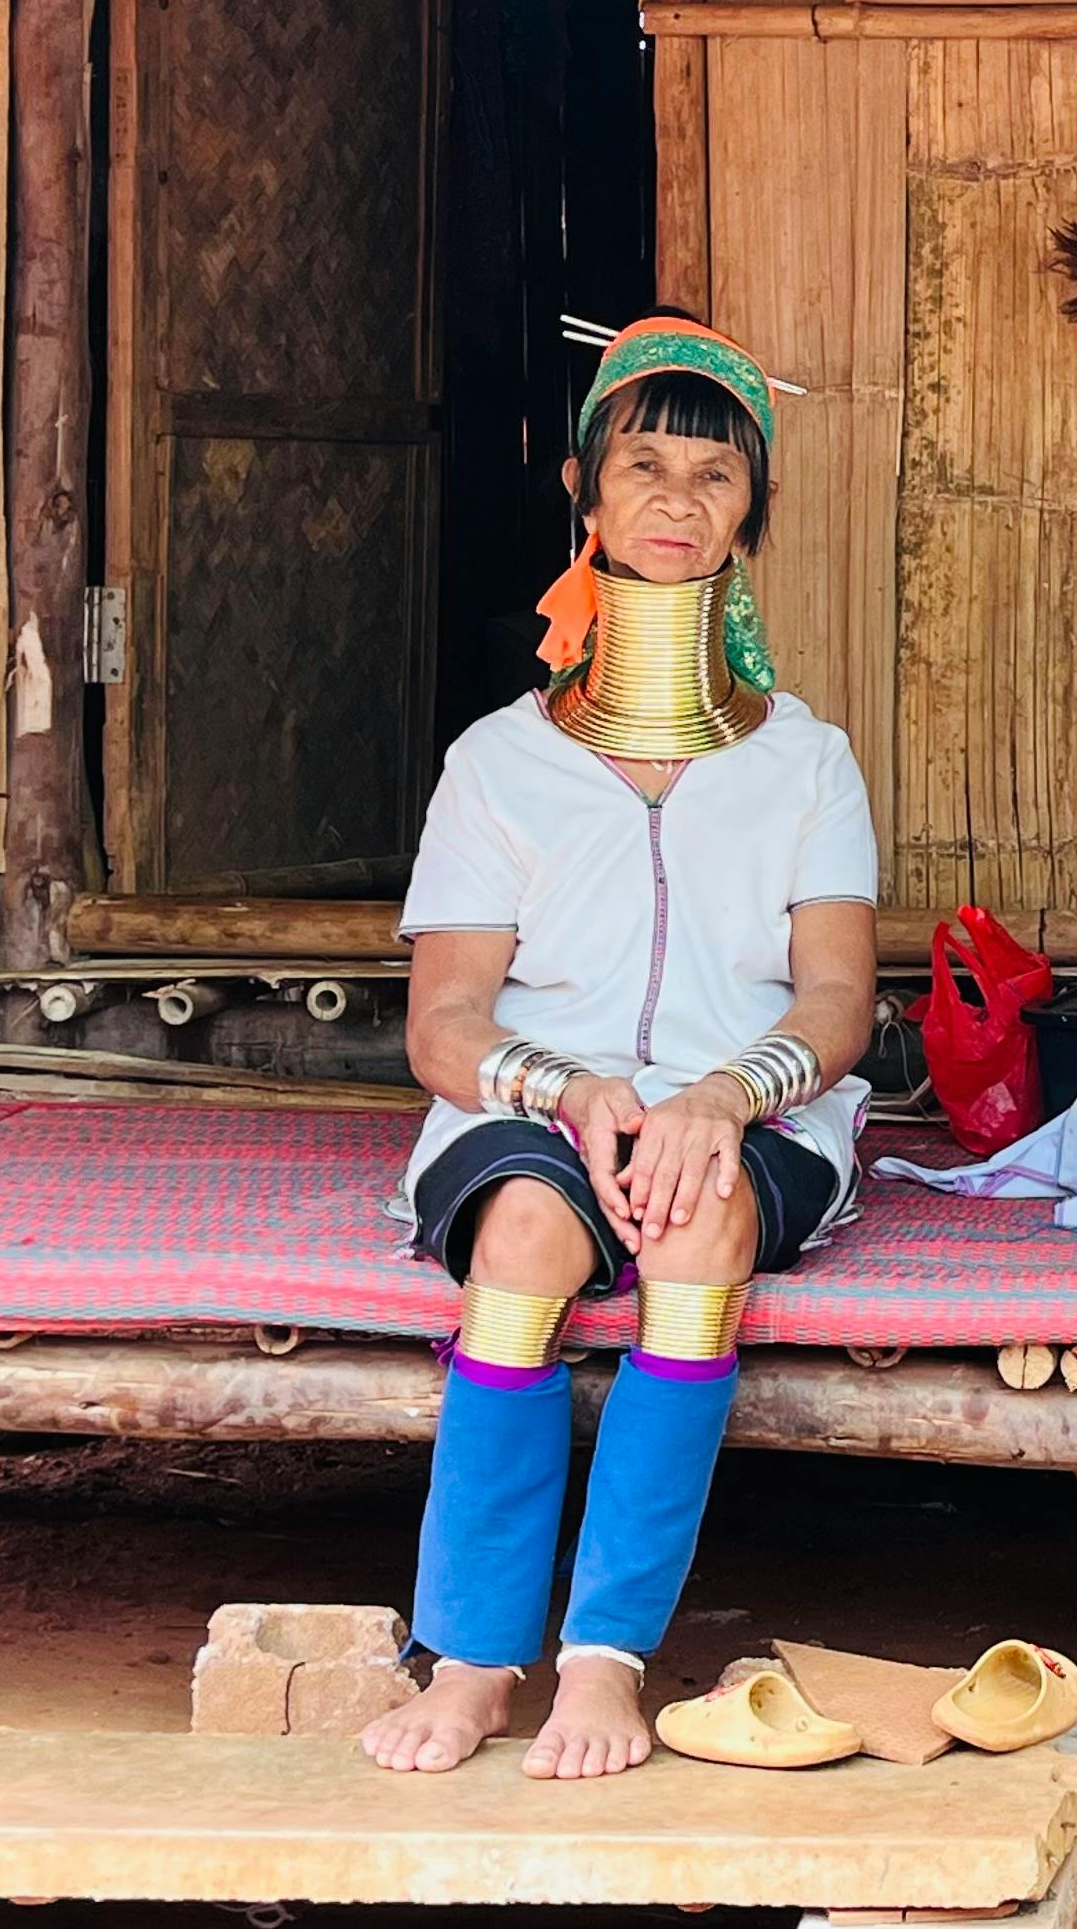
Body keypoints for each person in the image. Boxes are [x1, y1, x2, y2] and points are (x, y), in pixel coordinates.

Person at [360, 319, 879, 1777]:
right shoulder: (500, 760)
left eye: (714, 473)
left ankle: (604, 1662)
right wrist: (575, 1090)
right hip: (538, 1106)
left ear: (748, 516)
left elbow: (840, 999)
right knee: (526, 1235)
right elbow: (443, 1024)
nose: (675, 497)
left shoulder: (805, 762)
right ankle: (469, 1658)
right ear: (588, 499)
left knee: (700, 1228)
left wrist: (725, 1093)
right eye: (643, 465)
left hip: (753, 1110)